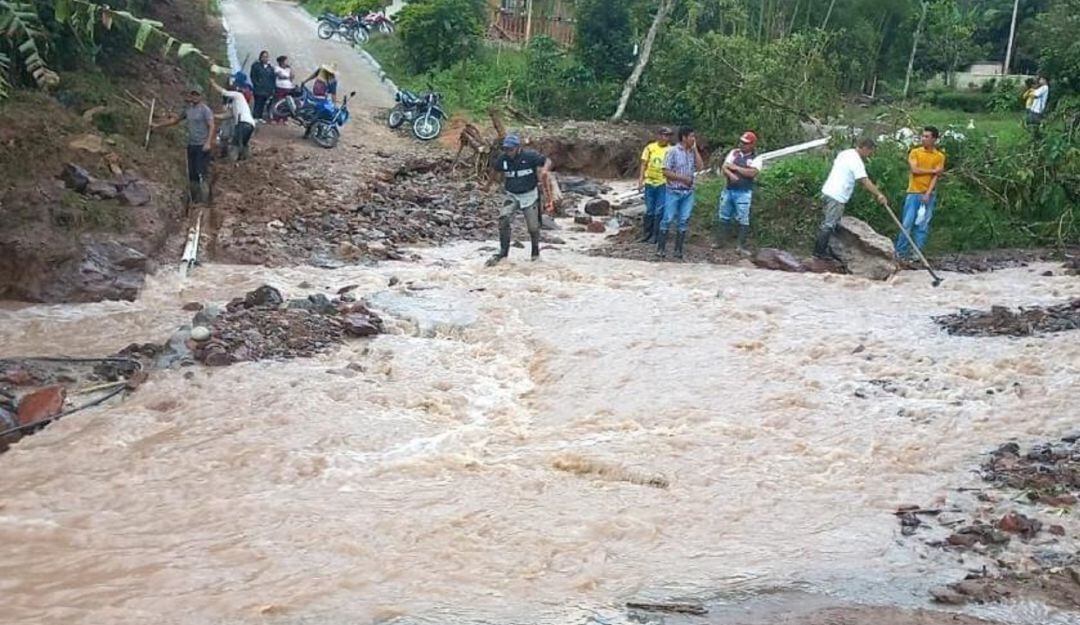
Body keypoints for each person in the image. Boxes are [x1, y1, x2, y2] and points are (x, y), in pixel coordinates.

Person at [813, 138, 889, 258]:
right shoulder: (856, 160)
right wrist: (878, 194)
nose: (870, 155)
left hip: (829, 191)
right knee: (829, 224)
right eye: (870, 152)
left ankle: (829, 249)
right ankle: (819, 252)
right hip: (836, 195)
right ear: (865, 148)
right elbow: (864, 180)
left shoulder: (845, 153)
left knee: (833, 223)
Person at [487, 134, 553, 266]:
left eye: (510, 149)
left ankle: (535, 253)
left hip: (529, 195)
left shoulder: (530, 156)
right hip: (512, 195)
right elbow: (495, 170)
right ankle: (503, 252)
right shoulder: (503, 159)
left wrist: (545, 170)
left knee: (533, 227)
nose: (508, 152)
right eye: (506, 149)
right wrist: (488, 185)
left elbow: (548, 160)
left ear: (518, 148)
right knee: (503, 218)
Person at [152, 88, 215, 205]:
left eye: (197, 95)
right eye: (193, 95)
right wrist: (158, 125)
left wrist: (208, 142)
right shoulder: (188, 110)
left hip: (202, 146)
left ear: (201, 97)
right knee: (192, 173)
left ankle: (205, 200)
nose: (194, 97)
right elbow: (175, 121)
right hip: (191, 144)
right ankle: (194, 199)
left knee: (201, 171)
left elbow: (211, 126)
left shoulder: (205, 110)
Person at [895, 126, 945, 260]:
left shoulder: (939, 156)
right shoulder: (915, 152)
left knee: (922, 225)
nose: (924, 139)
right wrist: (933, 171)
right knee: (907, 224)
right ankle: (901, 252)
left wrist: (928, 193)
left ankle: (917, 254)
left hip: (928, 194)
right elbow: (915, 170)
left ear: (934, 139)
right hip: (913, 192)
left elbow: (936, 178)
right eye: (923, 136)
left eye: (927, 137)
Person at [657, 126, 703, 260]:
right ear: (684, 137)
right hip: (673, 191)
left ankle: (678, 250)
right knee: (667, 219)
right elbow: (665, 171)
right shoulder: (673, 151)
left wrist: (695, 150)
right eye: (692, 136)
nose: (694, 139)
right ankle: (661, 249)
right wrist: (683, 178)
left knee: (683, 220)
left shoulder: (691, 153)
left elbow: (700, 167)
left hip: (688, 192)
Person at [715, 130, 763, 255]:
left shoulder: (757, 157)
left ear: (752, 145)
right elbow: (725, 166)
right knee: (723, 214)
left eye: (746, 143)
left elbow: (752, 173)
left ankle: (740, 245)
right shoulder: (734, 153)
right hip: (729, 189)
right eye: (742, 142)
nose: (742, 145)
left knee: (743, 218)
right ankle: (719, 241)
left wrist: (735, 168)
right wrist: (731, 175)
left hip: (744, 191)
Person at [637, 127, 672, 244]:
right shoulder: (650, 148)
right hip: (649, 182)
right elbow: (643, 164)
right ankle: (646, 233)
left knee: (659, 210)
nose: (665, 138)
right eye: (663, 135)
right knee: (649, 210)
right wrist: (640, 180)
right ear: (658, 136)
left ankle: (656, 236)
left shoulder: (671, 150)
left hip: (663, 183)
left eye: (668, 136)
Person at [210, 80, 256, 162]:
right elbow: (225, 116)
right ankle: (245, 161)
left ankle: (232, 161)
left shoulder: (238, 95)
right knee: (243, 144)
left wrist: (213, 84)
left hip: (242, 122)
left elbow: (224, 92)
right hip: (250, 125)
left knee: (235, 144)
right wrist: (212, 115)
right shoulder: (236, 104)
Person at [250, 50, 276, 121]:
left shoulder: (270, 68)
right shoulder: (256, 66)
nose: (265, 58)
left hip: (267, 89)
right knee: (257, 102)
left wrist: (272, 89)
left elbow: (273, 79)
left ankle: (260, 117)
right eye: (263, 57)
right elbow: (253, 76)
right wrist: (256, 84)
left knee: (263, 103)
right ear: (260, 57)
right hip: (258, 89)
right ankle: (255, 116)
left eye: (266, 57)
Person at [272, 55, 295, 122]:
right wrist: (287, 77)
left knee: (287, 103)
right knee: (278, 102)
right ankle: (276, 118)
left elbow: (292, 77)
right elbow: (280, 76)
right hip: (280, 88)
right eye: (285, 61)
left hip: (288, 88)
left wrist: (291, 68)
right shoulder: (277, 68)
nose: (287, 62)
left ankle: (285, 119)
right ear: (282, 62)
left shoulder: (288, 69)